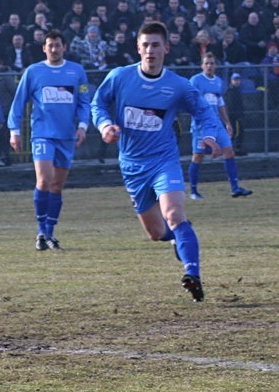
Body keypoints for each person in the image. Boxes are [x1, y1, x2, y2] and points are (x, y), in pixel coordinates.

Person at [90, 21, 223, 302]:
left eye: (155, 45)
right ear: (138, 48)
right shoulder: (119, 77)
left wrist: (210, 135)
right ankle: (178, 238)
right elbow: (98, 103)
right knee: (155, 232)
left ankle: (192, 273)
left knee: (174, 213)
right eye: (145, 45)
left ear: (166, 48)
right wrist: (104, 126)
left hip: (164, 160)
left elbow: (203, 112)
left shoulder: (178, 86)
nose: (150, 50)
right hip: (132, 165)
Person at [8, 29, 91, 251]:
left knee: (57, 185)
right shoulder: (34, 72)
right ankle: (41, 232)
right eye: (50, 45)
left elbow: (84, 101)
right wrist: (14, 130)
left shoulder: (77, 71)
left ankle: (50, 233)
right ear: (44, 48)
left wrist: (83, 126)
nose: (54, 49)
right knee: (44, 180)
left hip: (67, 136)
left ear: (64, 47)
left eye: (58, 45)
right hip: (42, 134)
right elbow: (18, 102)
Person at [187, 54, 253, 199]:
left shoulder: (218, 82)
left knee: (229, 151)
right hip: (201, 125)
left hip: (217, 124)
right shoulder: (195, 81)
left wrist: (227, 123)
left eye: (212, 63)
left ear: (215, 66)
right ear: (202, 65)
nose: (209, 66)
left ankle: (235, 188)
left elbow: (220, 103)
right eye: (207, 63)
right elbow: (190, 102)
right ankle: (193, 190)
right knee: (198, 156)